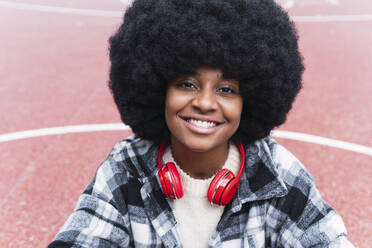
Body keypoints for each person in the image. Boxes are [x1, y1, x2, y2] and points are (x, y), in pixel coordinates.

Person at [48, 0, 354, 247]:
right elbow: (84, 237)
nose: (206, 103)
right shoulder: (126, 168)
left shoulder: (277, 174)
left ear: (250, 99)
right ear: (158, 88)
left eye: (226, 89)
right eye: (187, 84)